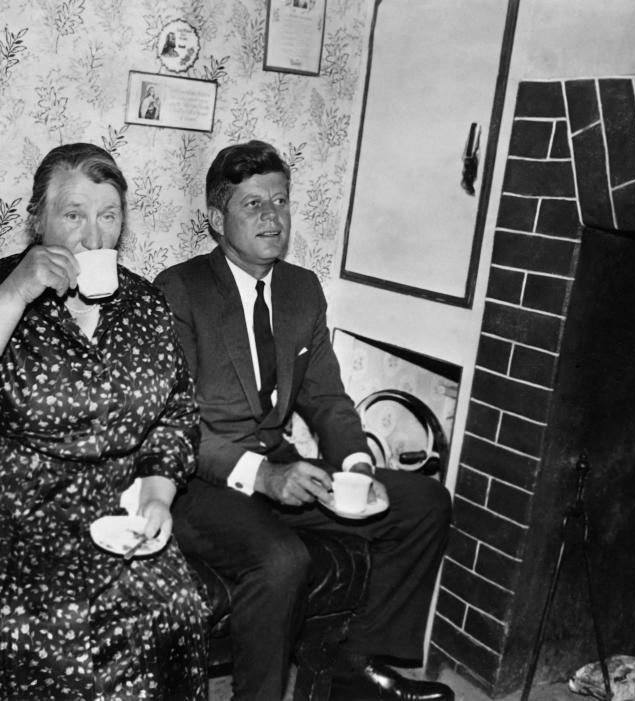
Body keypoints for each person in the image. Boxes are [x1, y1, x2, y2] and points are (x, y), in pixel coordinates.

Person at [0, 142, 209, 700]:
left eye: (108, 216)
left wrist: (159, 496)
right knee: (57, 643)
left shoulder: (144, 305)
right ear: (36, 220)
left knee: (178, 611)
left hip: (112, 526)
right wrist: (17, 291)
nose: (93, 237)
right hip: (2, 532)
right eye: (73, 215)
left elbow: (176, 415)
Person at [153, 140, 455, 701]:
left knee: (423, 503)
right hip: (200, 483)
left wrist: (357, 465)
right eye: (253, 205)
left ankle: (355, 668)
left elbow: (327, 398)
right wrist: (263, 477)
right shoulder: (181, 290)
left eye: (281, 201)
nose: (273, 217)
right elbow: (173, 425)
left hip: (282, 466)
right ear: (217, 219)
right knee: (281, 558)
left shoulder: (302, 290)